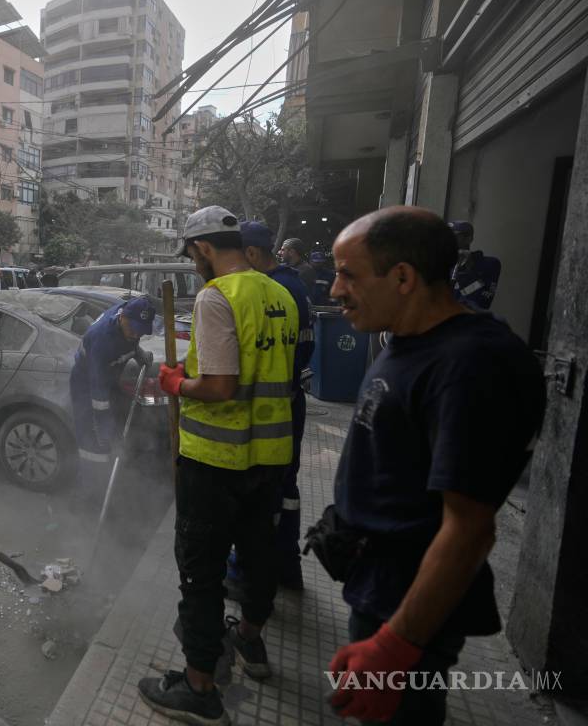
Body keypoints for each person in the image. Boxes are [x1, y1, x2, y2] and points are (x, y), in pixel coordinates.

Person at [318, 207, 543, 724]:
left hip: (408, 607)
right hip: (380, 591)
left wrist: (395, 647)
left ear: (402, 277)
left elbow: (468, 529)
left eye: (348, 274)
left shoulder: (471, 366)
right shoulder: (409, 340)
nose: (334, 290)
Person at [138, 206, 298, 725]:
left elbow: (222, 386)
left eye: (191, 256)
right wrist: (196, 364)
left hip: (215, 461)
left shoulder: (216, 296)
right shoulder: (278, 292)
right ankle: (250, 641)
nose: (192, 267)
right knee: (259, 556)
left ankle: (199, 687)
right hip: (269, 455)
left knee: (201, 575)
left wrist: (175, 384)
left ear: (203, 248)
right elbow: (257, 365)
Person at [236, 221, 315, 590]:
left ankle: (253, 572)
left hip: (272, 408)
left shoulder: (275, 289)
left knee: (264, 489)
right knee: (285, 489)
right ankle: (285, 565)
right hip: (289, 402)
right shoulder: (295, 285)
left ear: (252, 254)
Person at [68, 296, 157, 503]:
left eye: (141, 329)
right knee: (92, 440)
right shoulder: (101, 339)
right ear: (122, 318)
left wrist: (138, 353)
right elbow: (98, 391)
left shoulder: (127, 315)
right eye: (133, 328)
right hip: (86, 385)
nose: (136, 334)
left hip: (109, 378)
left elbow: (131, 342)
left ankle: (112, 475)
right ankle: (91, 491)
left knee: (113, 433)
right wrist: (102, 426)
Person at [448, 220, 501, 310]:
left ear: (468, 238)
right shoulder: (442, 264)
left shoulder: (489, 264)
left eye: (454, 237)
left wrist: (467, 269)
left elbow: (482, 303)